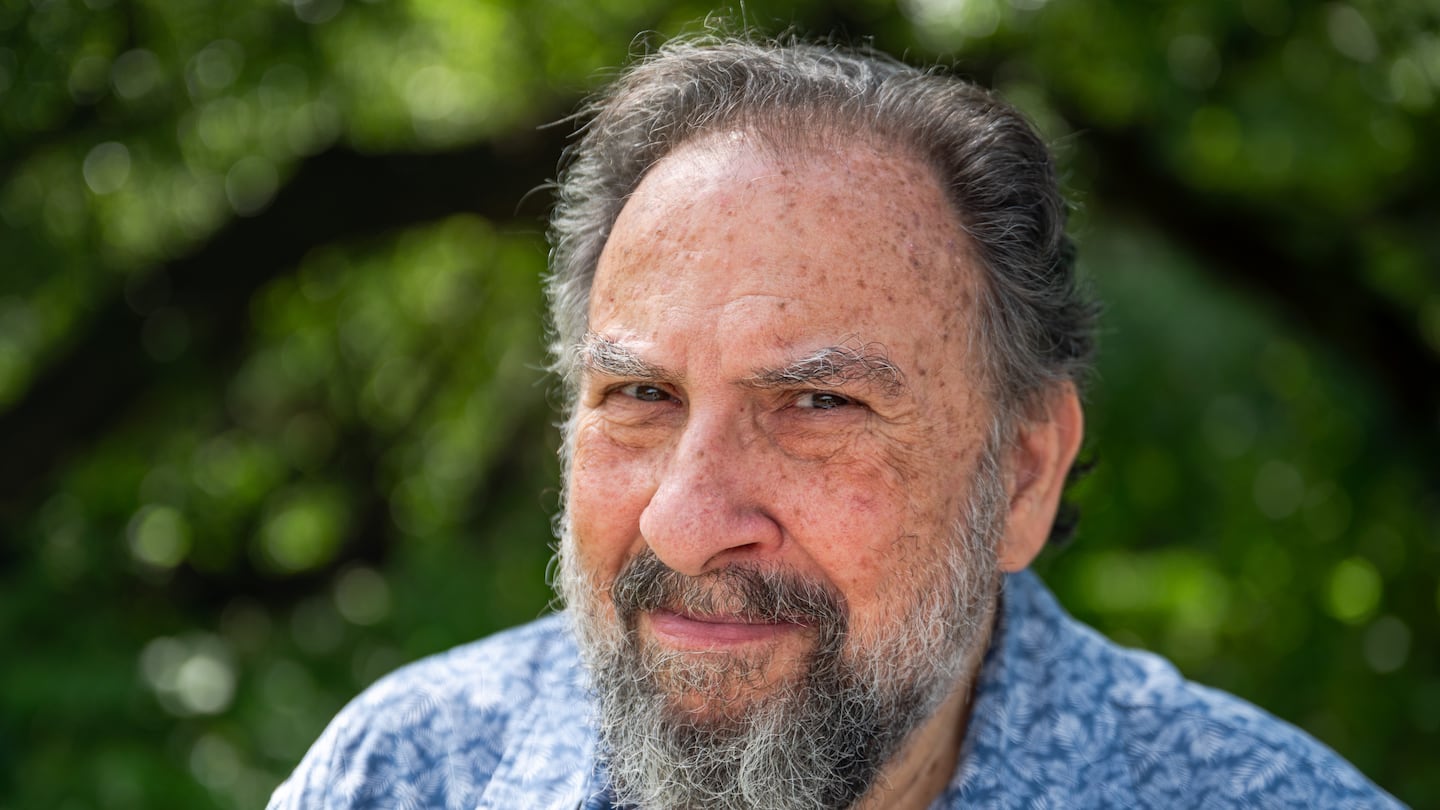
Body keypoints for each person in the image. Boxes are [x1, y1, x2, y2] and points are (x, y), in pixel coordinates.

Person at [268, 33, 1401, 810]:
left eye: (818, 404)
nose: (686, 522)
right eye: (643, 397)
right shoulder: (405, 772)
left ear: (1021, 473)